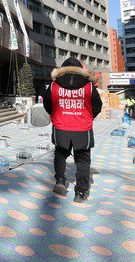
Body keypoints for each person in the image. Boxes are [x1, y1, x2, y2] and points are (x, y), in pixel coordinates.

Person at [43, 58, 102, 203]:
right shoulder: (88, 85)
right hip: (83, 128)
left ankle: (60, 182)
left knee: (60, 154)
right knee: (83, 160)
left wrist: (57, 115)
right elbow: (97, 106)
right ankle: (81, 193)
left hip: (60, 127)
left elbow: (47, 104)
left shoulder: (54, 85)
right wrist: (87, 117)